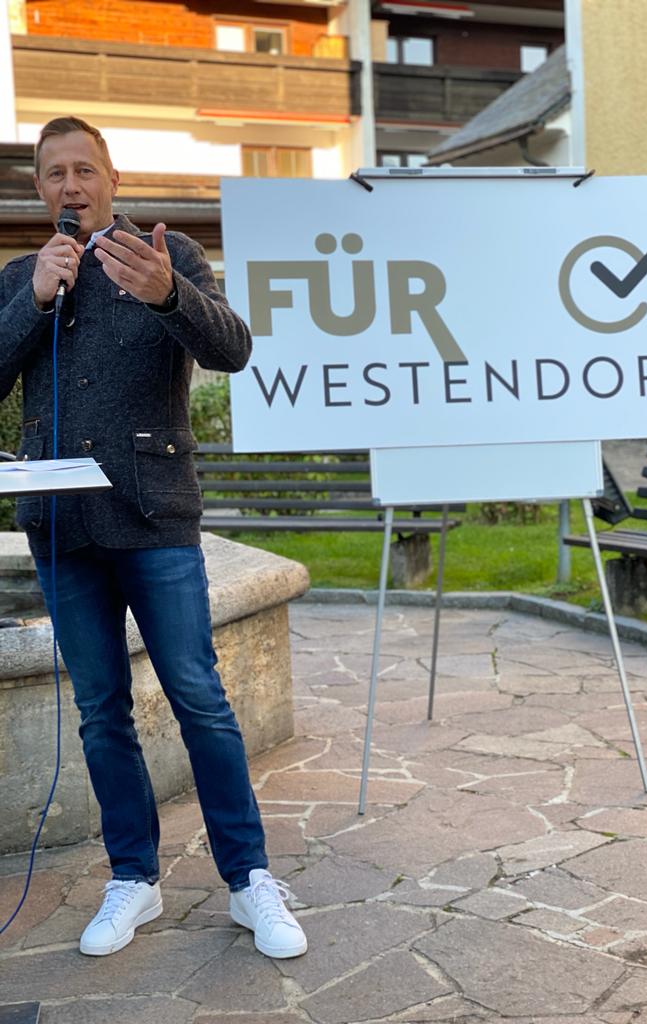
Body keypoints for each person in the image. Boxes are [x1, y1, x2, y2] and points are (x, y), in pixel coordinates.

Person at [0, 117, 307, 959]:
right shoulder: (24, 274)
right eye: (55, 173)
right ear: (40, 187)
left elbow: (233, 349)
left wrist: (169, 293)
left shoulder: (170, 257)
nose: (71, 185)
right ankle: (133, 878)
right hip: (62, 527)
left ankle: (248, 880)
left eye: (84, 169)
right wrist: (33, 301)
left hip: (155, 516)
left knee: (199, 697)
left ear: (112, 178)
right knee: (101, 711)